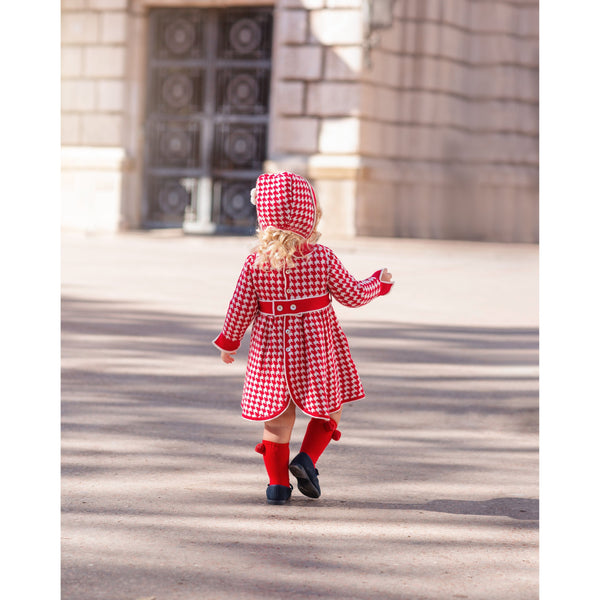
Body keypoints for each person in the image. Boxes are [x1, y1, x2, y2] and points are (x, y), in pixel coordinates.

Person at [213, 171, 393, 505]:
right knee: (329, 410)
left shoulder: (256, 263)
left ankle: (278, 485)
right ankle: (307, 460)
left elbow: (239, 307)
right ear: (310, 216)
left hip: (273, 353)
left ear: (264, 215)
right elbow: (352, 295)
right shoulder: (322, 258)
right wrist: (377, 284)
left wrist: (229, 342)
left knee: (277, 420)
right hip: (317, 349)